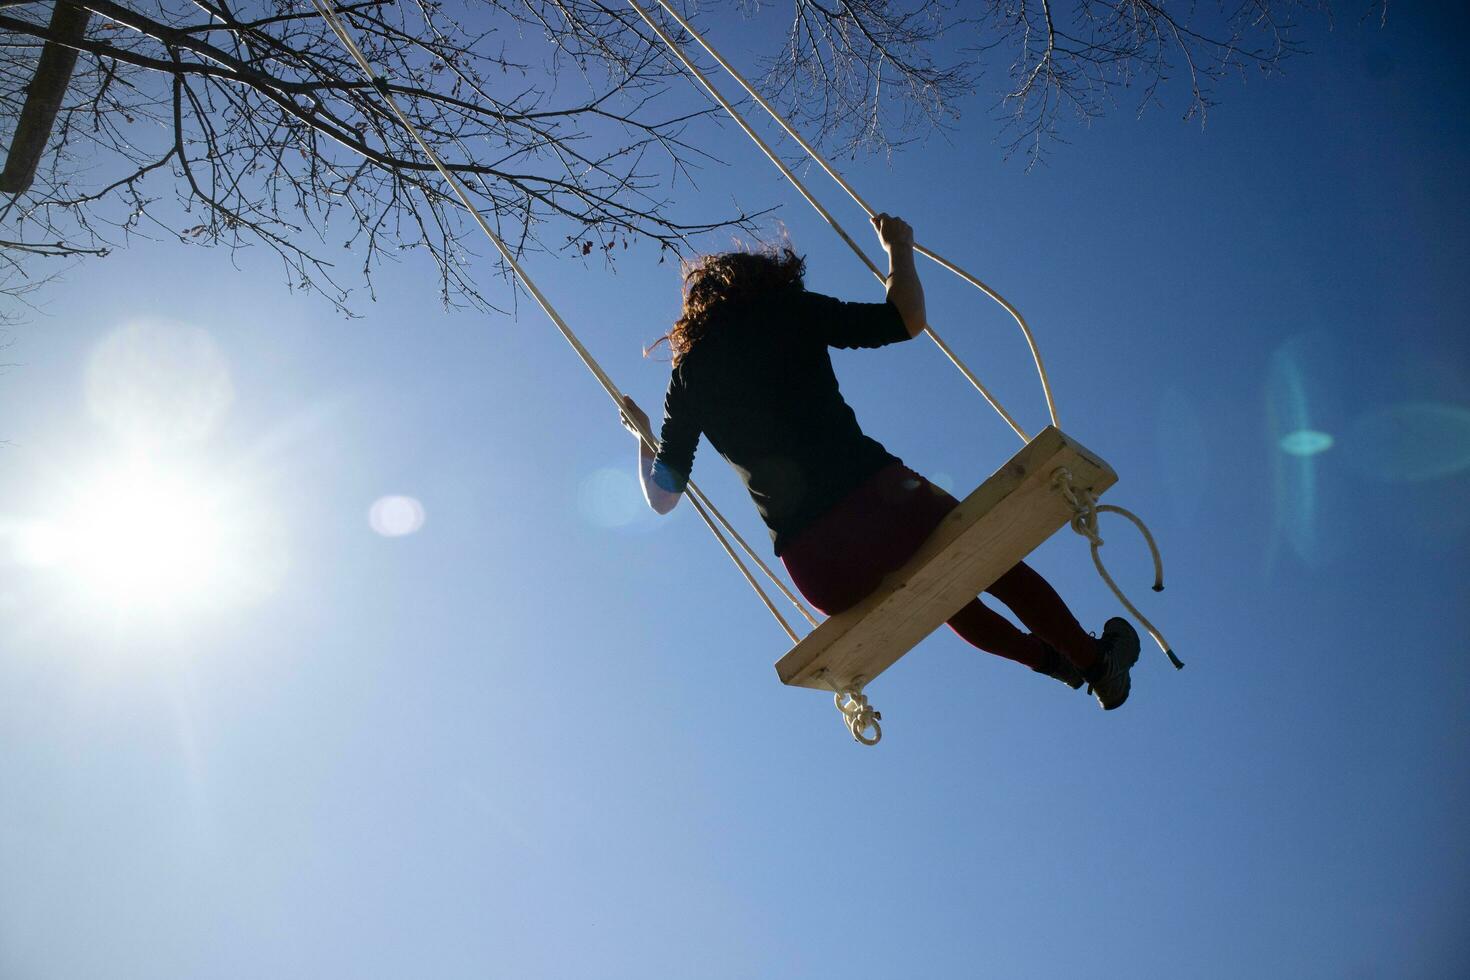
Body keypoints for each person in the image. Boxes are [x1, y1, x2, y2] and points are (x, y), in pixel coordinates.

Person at [620, 215, 1140, 709]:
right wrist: (898, 251)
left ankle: (1050, 661)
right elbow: (905, 320)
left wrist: (644, 439)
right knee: (986, 564)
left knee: (942, 595)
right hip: (878, 502)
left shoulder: (687, 378)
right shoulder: (787, 309)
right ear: (758, 280)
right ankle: (1094, 662)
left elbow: (663, 498)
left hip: (818, 570)